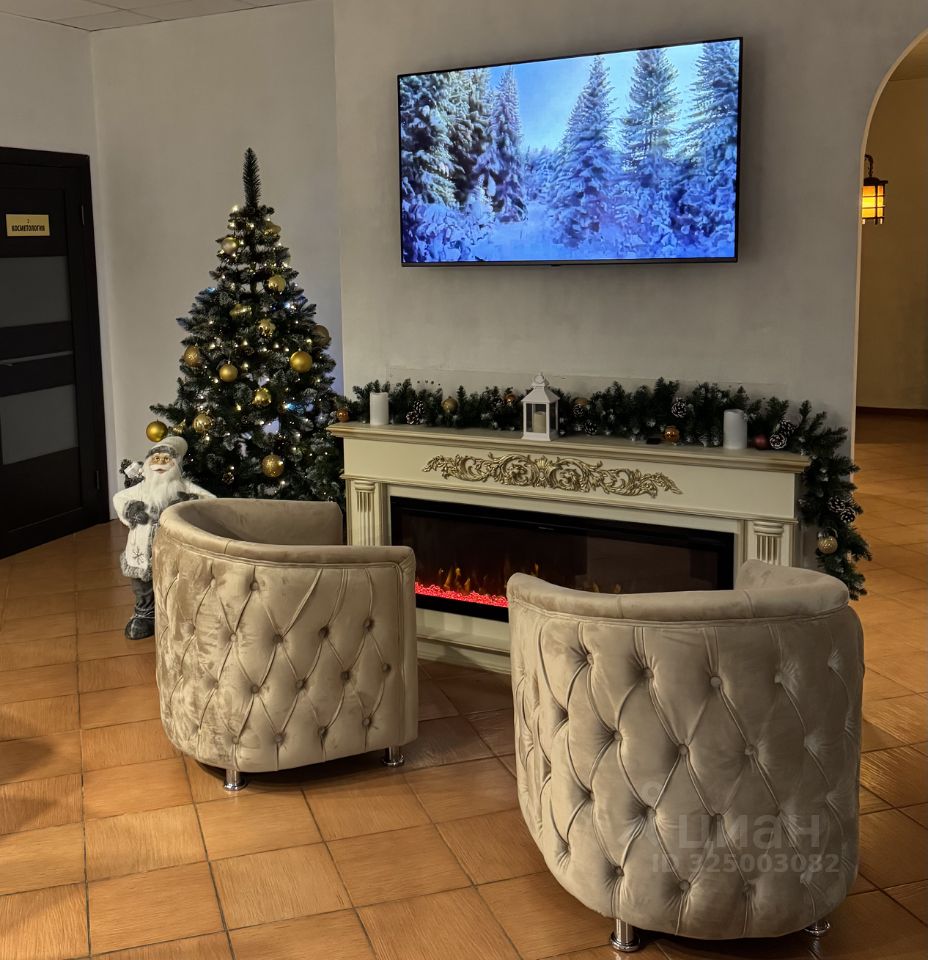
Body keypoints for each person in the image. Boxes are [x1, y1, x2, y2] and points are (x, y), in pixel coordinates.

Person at [113, 435, 214, 639]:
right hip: (141, 546)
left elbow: (211, 501)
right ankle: (144, 614)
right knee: (142, 582)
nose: (160, 464)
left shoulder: (183, 487)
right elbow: (119, 498)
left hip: (172, 545)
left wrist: (188, 504)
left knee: (173, 579)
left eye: (166, 460)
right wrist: (131, 511)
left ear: (175, 464)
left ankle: (174, 613)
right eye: (156, 459)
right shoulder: (141, 489)